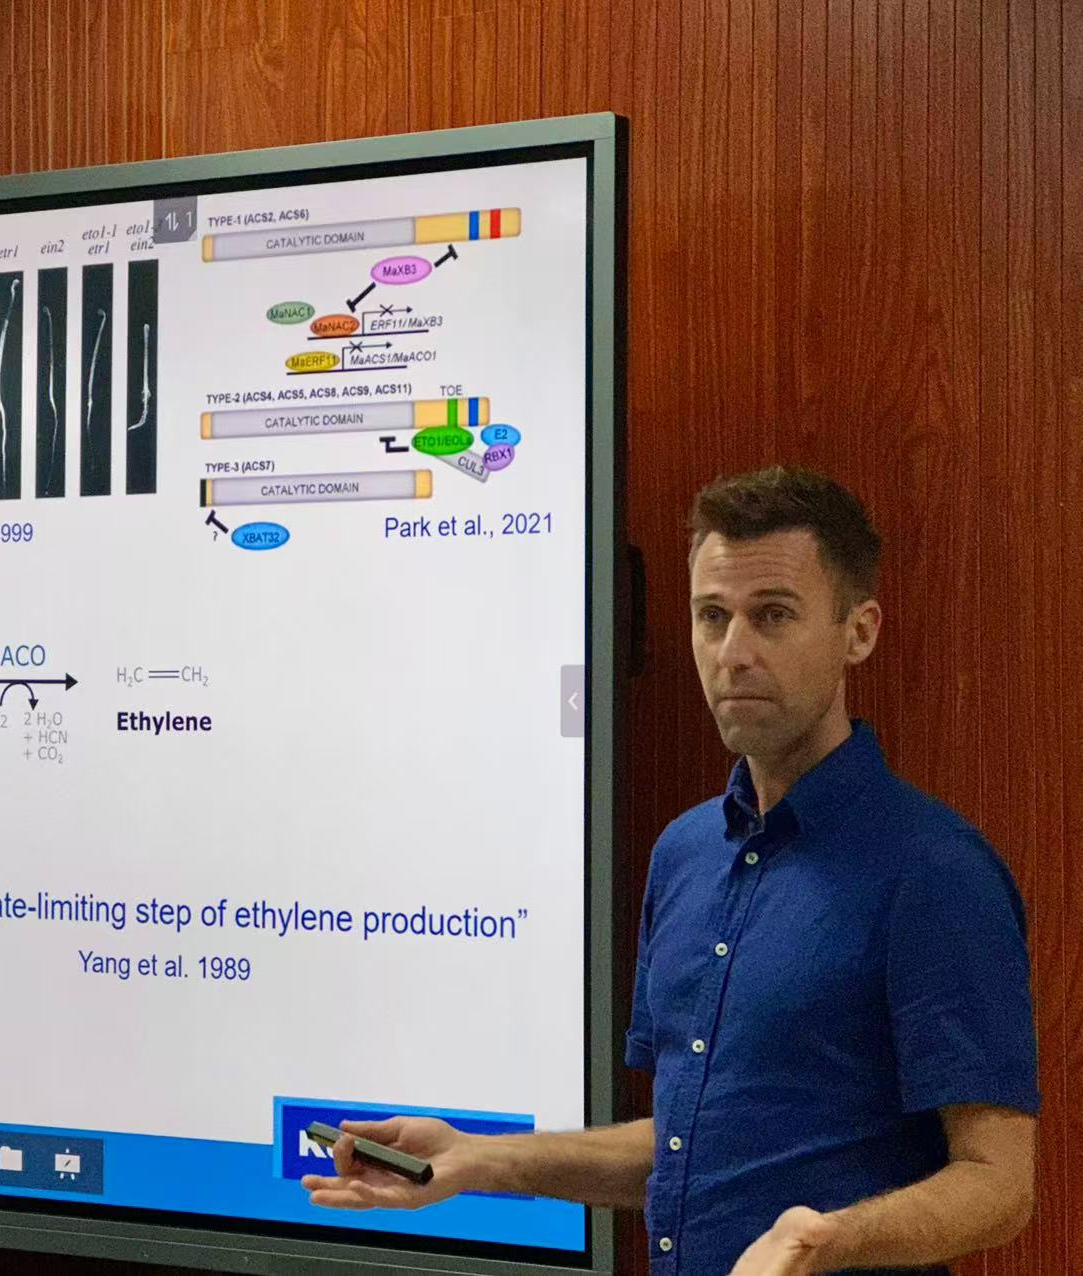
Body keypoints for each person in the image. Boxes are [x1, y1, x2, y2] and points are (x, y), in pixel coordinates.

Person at [303, 467, 1039, 1275]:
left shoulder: (934, 872)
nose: (734, 654)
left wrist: (832, 1241)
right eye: (712, 617)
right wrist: (479, 1159)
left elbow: (998, 1183)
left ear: (857, 632)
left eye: (773, 616)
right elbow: (690, 1147)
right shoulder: (686, 854)